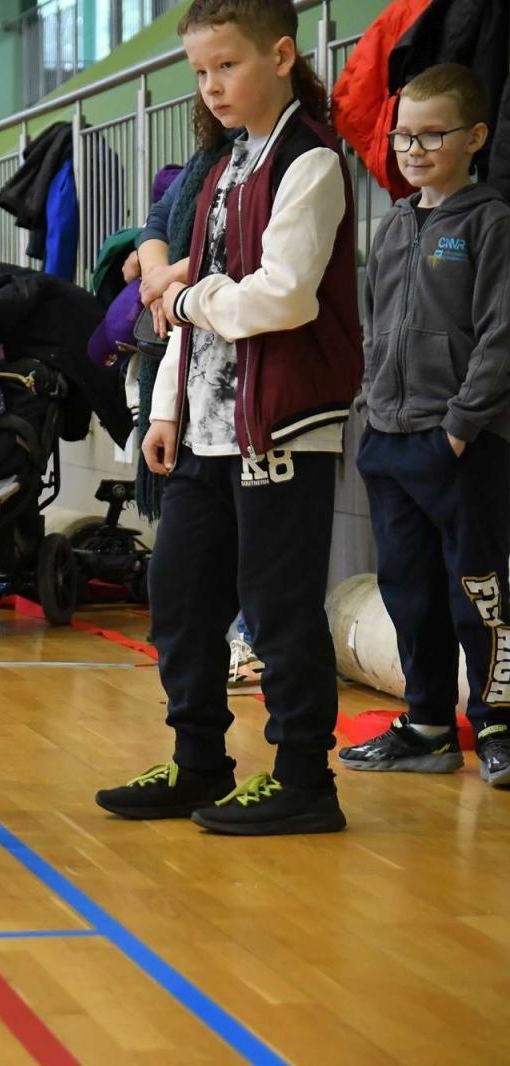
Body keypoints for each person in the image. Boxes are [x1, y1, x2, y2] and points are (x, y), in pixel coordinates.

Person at [95, 0, 362, 835]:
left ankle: (301, 778)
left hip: (280, 426)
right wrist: (167, 407)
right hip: (206, 428)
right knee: (179, 598)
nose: (210, 85)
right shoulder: (221, 167)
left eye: (227, 65)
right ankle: (199, 761)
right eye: (200, 71)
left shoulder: (310, 161)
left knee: (279, 607)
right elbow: (188, 313)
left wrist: (187, 293)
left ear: (281, 55)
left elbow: (281, 297)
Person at [340, 63, 510, 789]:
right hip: (389, 440)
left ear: (474, 137)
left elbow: (501, 335)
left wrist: (462, 425)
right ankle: (428, 725)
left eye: (430, 134)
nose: (411, 148)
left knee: (477, 588)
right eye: (402, 134)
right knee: (407, 588)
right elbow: (375, 326)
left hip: (460, 445)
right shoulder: (396, 224)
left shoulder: (490, 221)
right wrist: (376, 413)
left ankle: (500, 726)